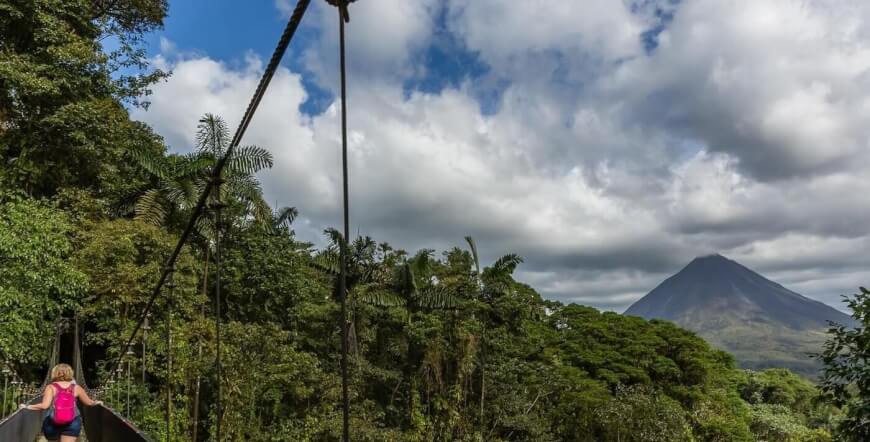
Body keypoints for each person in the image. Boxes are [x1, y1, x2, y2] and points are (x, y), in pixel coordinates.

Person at [19, 363, 102, 441]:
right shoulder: (76, 388)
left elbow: (45, 406)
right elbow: (89, 403)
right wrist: (97, 402)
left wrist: (27, 406)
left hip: (53, 422)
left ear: (54, 373)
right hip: (72, 422)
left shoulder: (51, 387)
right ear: (70, 373)